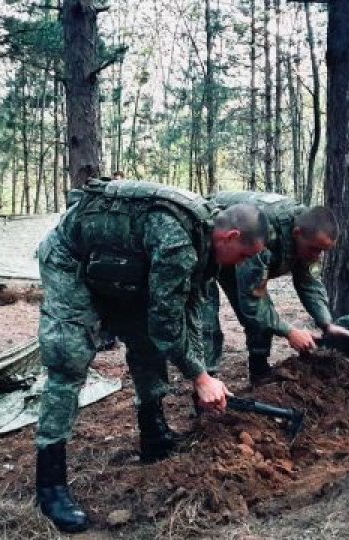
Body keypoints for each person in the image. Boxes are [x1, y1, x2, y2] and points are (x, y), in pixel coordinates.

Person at [34, 179, 268, 533]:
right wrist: (200, 378)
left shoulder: (203, 243)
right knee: (69, 358)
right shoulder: (178, 244)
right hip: (72, 260)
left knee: (145, 343)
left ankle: (154, 436)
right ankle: (50, 485)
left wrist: (203, 372)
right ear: (231, 236)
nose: (242, 264)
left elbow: (190, 315)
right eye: (245, 256)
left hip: (122, 269)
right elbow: (166, 324)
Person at [203, 191, 349, 385]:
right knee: (207, 320)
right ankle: (206, 385)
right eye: (315, 249)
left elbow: (308, 282)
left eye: (323, 251)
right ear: (297, 233)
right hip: (218, 243)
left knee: (265, 312)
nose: (317, 257)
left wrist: (326, 323)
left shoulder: (307, 234)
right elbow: (253, 302)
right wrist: (289, 331)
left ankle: (259, 369)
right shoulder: (262, 236)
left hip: (242, 250)